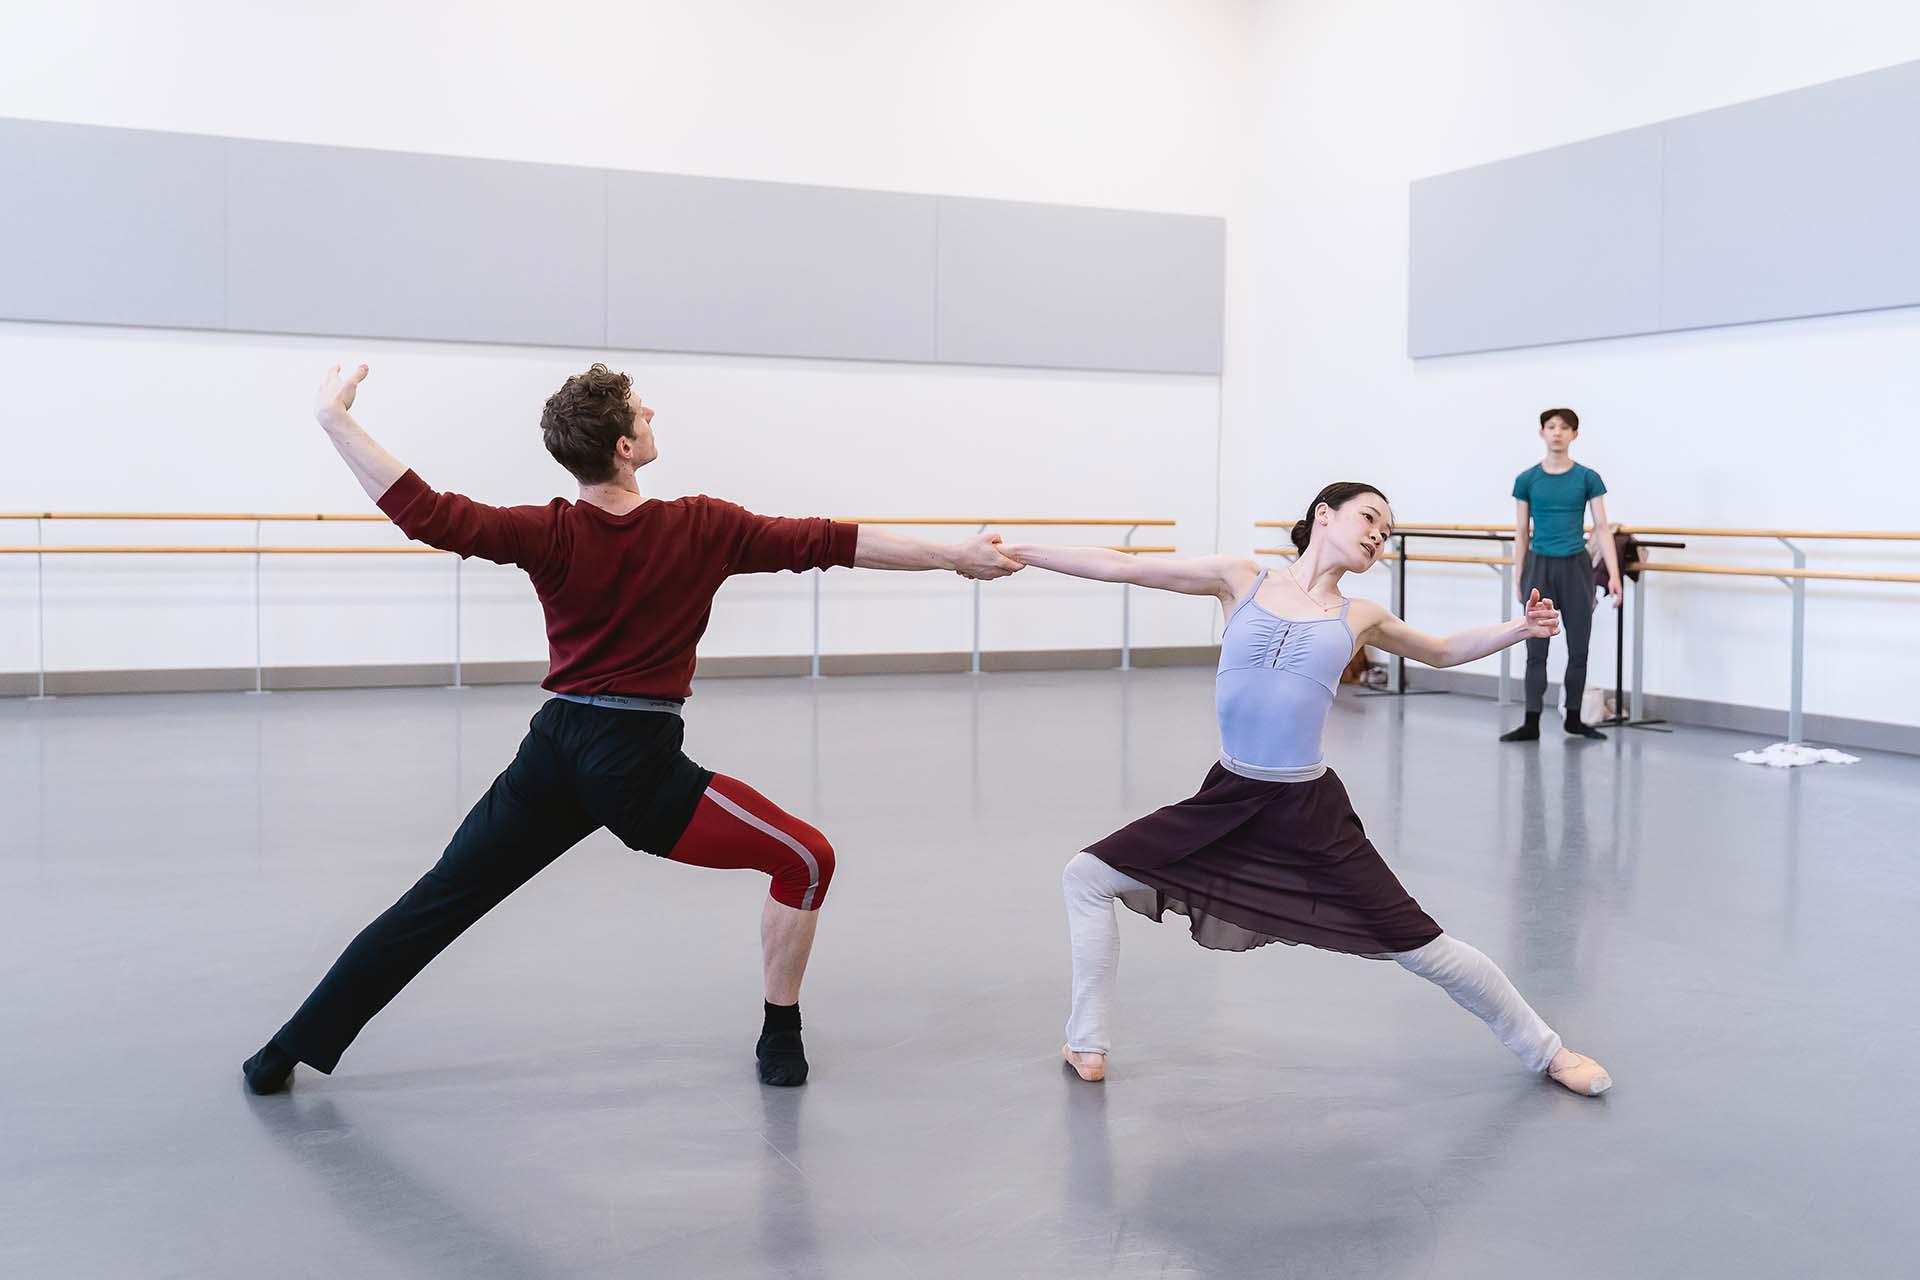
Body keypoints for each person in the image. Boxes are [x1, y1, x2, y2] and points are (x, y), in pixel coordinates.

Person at [242, 363, 1020, 1095]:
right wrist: (957, 555)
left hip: (552, 750)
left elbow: (428, 514)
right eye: (640, 410)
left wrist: (335, 419)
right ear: (624, 447)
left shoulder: (548, 529)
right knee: (807, 859)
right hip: (635, 764)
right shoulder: (702, 527)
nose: (651, 412)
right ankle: (779, 1029)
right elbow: (836, 543)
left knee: (437, 901)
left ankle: (283, 1051)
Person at [1003, 482, 1612, 1097]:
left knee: (1421, 945)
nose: (1378, 535)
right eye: (1370, 518)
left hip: (1308, 810)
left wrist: (1520, 628)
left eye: (1386, 533)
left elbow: (1442, 650)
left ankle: (1549, 1051)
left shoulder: (1361, 615)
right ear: (1324, 515)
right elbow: (1125, 566)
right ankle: (1087, 1042)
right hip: (1228, 800)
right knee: (1086, 876)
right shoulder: (1241, 578)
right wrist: (1022, 550)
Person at [1501, 408, 1621, 741]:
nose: (1557, 432)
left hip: (1576, 566)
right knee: (1535, 649)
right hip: (1540, 565)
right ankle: (1531, 721)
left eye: (1564, 428)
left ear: (1574, 435)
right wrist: (1519, 574)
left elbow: (1601, 527)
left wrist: (1613, 574)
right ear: (1542, 432)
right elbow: (1521, 531)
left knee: (1578, 647)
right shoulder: (1527, 479)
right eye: (1551, 427)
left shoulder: (1587, 478)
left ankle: (1574, 718)